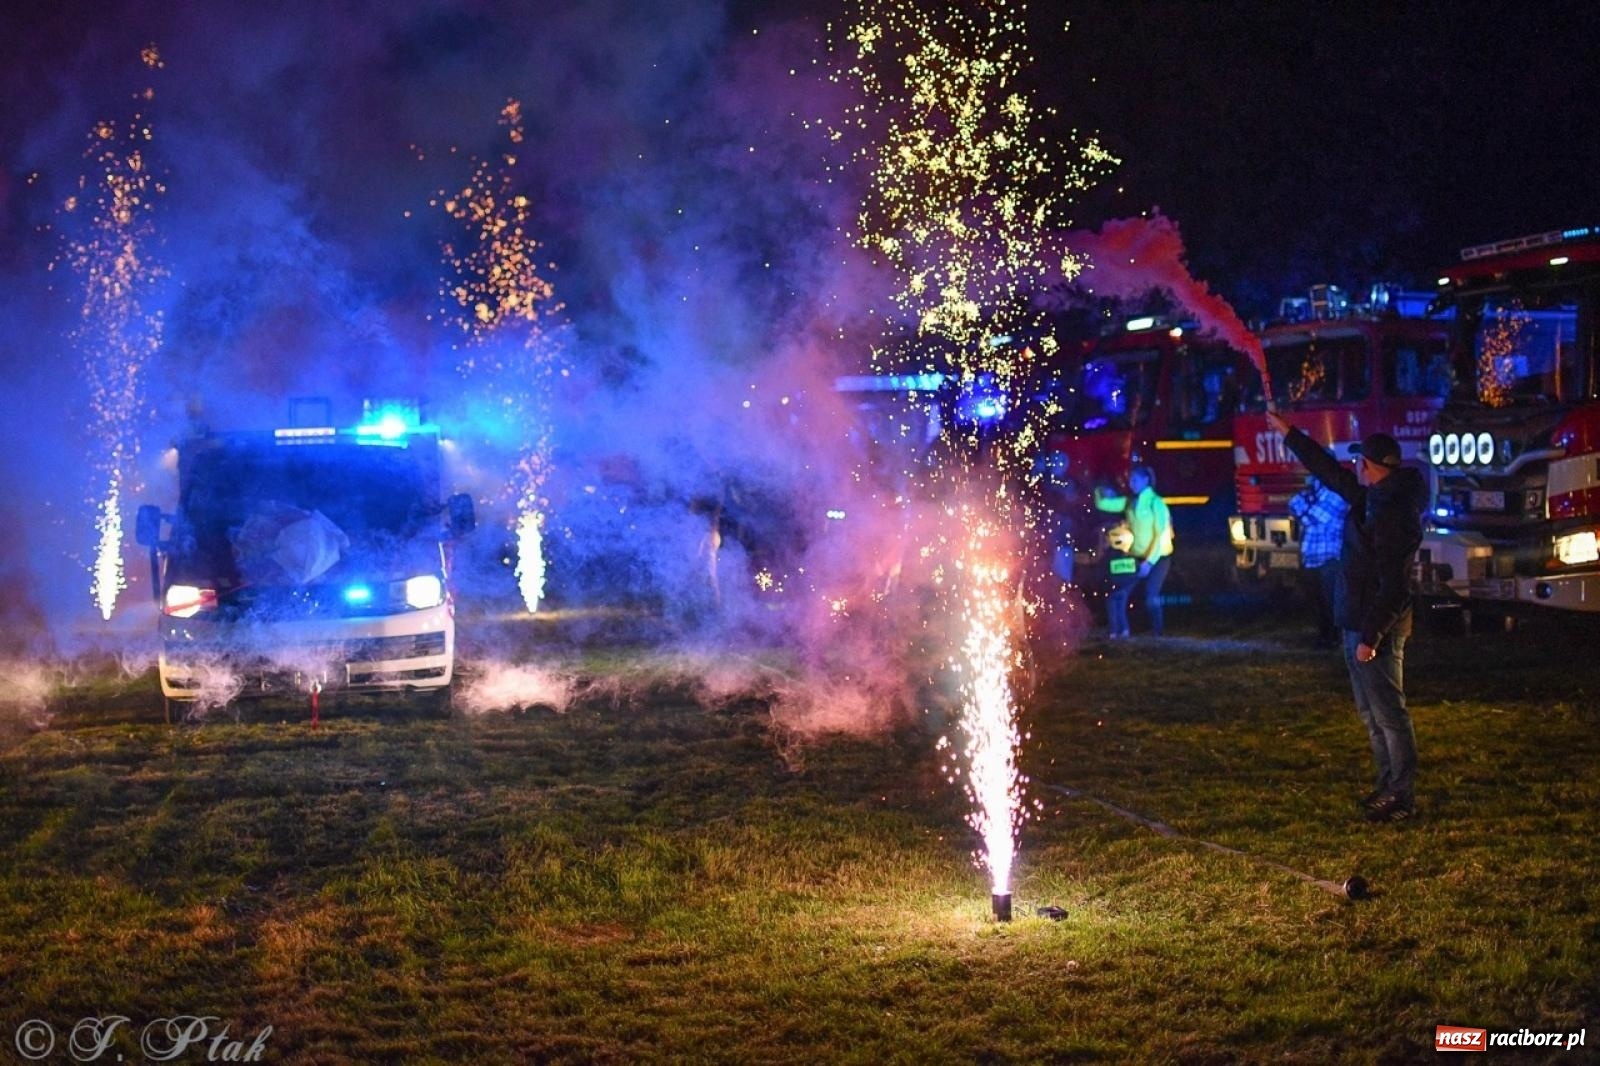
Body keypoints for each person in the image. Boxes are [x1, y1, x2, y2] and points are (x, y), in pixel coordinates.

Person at [1267, 411, 1425, 823]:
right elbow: (1329, 471)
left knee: (1390, 714)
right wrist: (1290, 434)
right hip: (1355, 621)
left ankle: (1401, 796)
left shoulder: (1395, 514)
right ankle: (1387, 785)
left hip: (1376, 630)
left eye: (1362, 463)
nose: (1356, 468)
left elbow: (1394, 586)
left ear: (1374, 467)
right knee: (1371, 714)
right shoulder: (1372, 497)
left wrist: (1371, 638)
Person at [1095, 464, 1173, 638]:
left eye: (1135, 479)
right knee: (1120, 593)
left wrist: (1150, 562)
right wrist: (1098, 485)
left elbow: (1161, 535)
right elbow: (1103, 504)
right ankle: (1121, 631)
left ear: (1146, 480)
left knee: (1151, 594)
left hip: (1159, 558)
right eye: (1130, 479)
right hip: (1137, 557)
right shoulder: (1130, 501)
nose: (1131, 483)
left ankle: (1157, 633)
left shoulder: (1156, 503)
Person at [1288, 474, 1347, 646]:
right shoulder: (1315, 495)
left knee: (1331, 601)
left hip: (1330, 558)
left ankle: (1335, 638)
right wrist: (1306, 506)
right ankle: (1325, 637)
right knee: (1318, 602)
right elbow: (1293, 504)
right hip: (1312, 558)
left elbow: (1311, 518)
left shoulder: (1336, 495)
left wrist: (1304, 506)